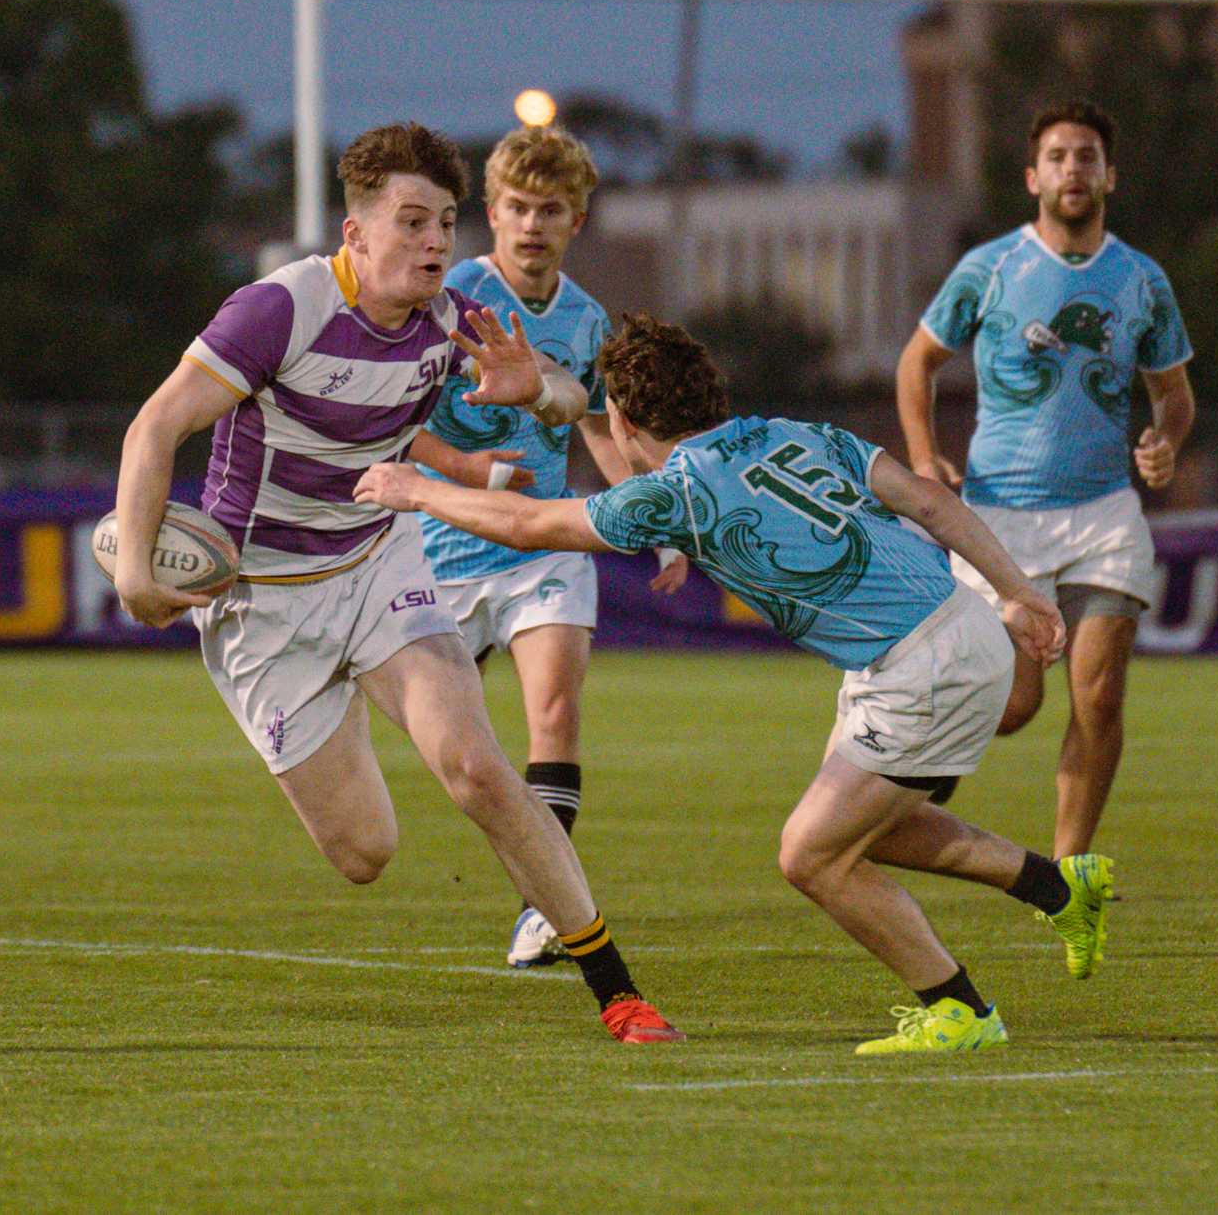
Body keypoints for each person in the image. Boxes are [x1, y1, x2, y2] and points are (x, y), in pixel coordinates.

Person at [356, 314, 1115, 1056]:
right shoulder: (793, 432)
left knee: (811, 856)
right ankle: (1059, 892)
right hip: (955, 626)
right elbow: (929, 499)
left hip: (919, 668)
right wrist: (1013, 593)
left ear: (621, 422)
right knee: (874, 830)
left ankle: (960, 1009)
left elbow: (527, 525)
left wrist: (415, 490)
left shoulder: (674, 492)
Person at [109, 121, 680, 1042]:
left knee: (477, 768)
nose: (434, 242)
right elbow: (153, 427)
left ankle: (619, 993)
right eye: (412, 221)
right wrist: (136, 574)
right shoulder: (277, 311)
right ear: (355, 234)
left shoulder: (451, 319)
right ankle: (332, 713)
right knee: (366, 853)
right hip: (262, 604)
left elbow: (577, 405)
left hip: (379, 564)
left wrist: (533, 389)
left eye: (445, 222)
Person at [413, 124, 690, 968]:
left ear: (576, 221)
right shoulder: (449, 297)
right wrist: (462, 469)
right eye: (519, 208)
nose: (533, 225)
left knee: (557, 714)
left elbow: (608, 429)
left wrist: (652, 517)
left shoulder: (586, 317)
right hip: (443, 541)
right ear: (490, 214)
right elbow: (396, 421)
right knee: (460, 759)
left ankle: (546, 913)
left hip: (545, 544)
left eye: (552, 211)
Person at [894, 101, 1194, 862]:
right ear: (1033, 176)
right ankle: (912, 757)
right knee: (1015, 704)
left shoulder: (1141, 280)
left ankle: (1067, 876)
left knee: (1098, 698)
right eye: (1058, 156)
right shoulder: (990, 269)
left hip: (1103, 516)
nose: (1073, 169)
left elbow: (1172, 392)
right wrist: (925, 458)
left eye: (1087, 156)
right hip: (1001, 519)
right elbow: (917, 363)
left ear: (1109, 176)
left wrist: (1166, 440)